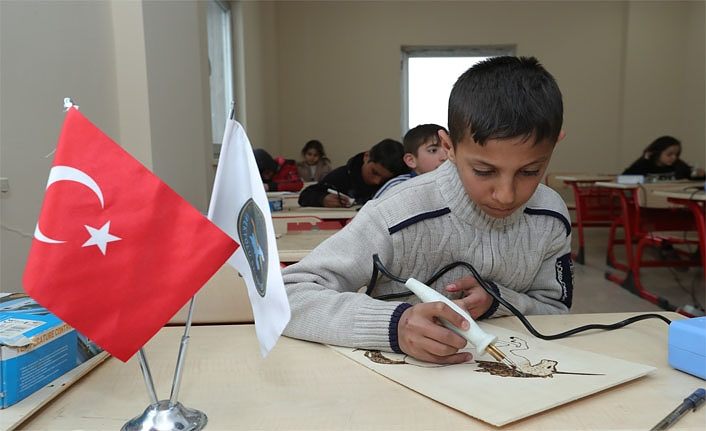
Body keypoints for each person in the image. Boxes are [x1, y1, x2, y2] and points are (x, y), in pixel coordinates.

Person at [282, 56, 572, 365]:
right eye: (484, 171)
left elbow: (556, 310)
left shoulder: (551, 215)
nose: (506, 195)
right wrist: (395, 325)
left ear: (555, 144)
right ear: (448, 147)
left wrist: (497, 301)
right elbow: (287, 296)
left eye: (529, 172)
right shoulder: (396, 212)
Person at [297, 139, 408, 207]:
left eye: (385, 179)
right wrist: (322, 199)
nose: (377, 181)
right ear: (366, 156)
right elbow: (305, 195)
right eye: (374, 172)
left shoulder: (400, 180)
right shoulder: (342, 175)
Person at [373, 123, 448, 199]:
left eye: (448, 148)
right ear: (411, 160)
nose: (445, 157)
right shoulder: (397, 188)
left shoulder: (453, 183)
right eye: (433, 150)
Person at [622, 136, 705, 180]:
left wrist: (700, 175)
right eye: (669, 154)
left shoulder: (678, 165)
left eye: (676, 154)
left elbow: (691, 176)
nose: (674, 157)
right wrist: (645, 161)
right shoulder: (645, 164)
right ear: (657, 152)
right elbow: (625, 177)